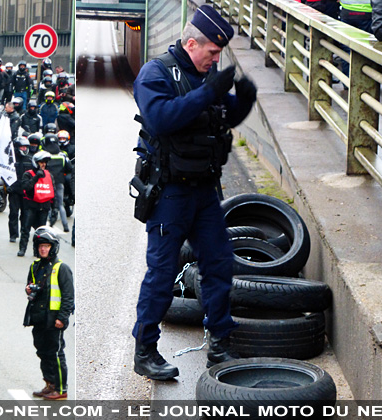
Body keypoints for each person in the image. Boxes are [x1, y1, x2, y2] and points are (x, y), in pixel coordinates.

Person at [131, 5, 257, 376]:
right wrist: (209, 92)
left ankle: (220, 344)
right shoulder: (155, 74)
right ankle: (146, 351)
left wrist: (243, 99)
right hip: (170, 193)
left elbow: (223, 116)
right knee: (162, 272)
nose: (215, 59)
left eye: (218, 55)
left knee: (218, 265)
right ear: (191, 43)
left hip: (205, 192)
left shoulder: (207, 74)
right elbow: (162, 118)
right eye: (212, 53)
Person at [24, 227, 74, 400]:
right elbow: (30, 288)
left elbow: (68, 296)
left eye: (46, 246)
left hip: (54, 320)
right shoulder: (35, 266)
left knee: (56, 354)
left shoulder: (62, 268)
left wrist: (62, 318)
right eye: (40, 246)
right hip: (39, 318)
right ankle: (49, 384)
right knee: (42, 352)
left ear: (53, 247)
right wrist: (29, 289)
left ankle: (61, 389)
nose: (43, 249)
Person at [18, 151, 55, 257]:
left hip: (44, 207)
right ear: (36, 163)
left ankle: (37, 252)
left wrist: (55, 208)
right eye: (41, 162)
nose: (43, 164)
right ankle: (22, 249)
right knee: (26, 229)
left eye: (45, 162)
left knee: (40, 233)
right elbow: (25, 187)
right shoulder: (28, 174)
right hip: (31, 206)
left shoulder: (49, 175)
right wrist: (35, 178)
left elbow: (53, 191)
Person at [9, 137, 35, 243]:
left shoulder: (30, 159)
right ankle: (13, 235)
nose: (24, 149)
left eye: (25, 147)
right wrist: (8, 186)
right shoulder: (10, 159)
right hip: (14, 191)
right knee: (14, 213)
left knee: (25, 214)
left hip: (26, 192)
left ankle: (24, 233)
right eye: (22, 147)